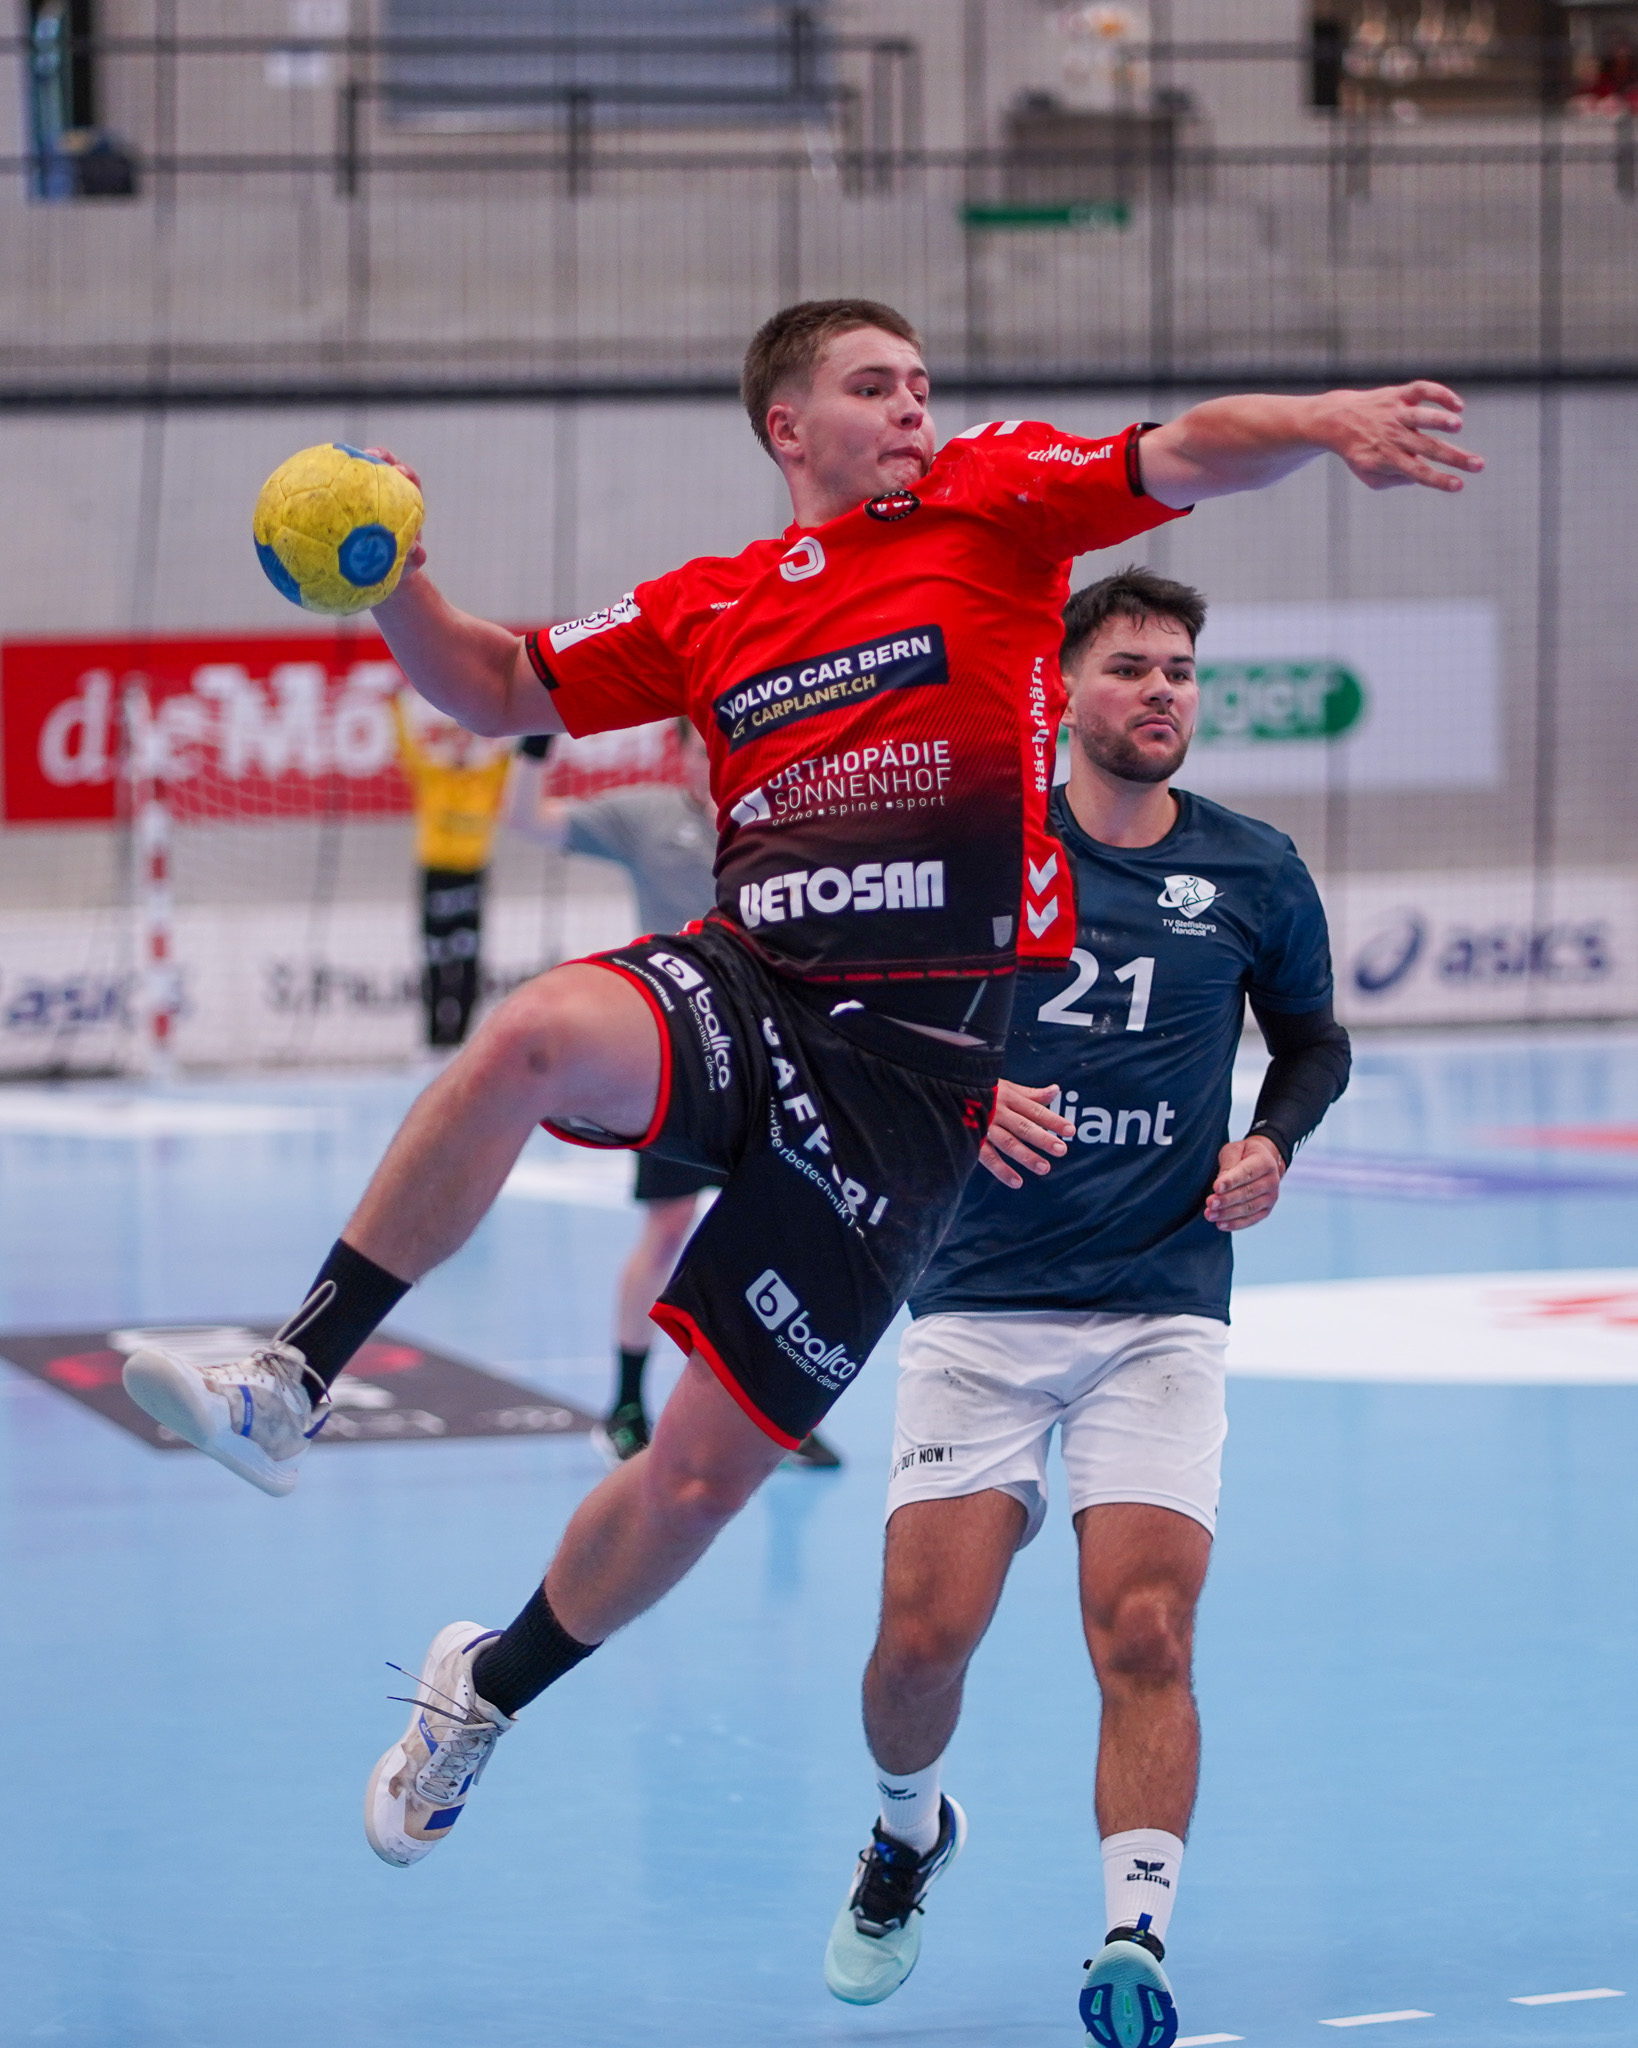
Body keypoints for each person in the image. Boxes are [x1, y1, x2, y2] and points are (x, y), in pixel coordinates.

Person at [119, 298, 1478, 1886]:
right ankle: (294, 1376)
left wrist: (1319, 421)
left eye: (919, 382)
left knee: (699, 1477)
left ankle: (482, 1688)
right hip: (755, 989)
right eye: (873, 386)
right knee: (528, 1037)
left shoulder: (994, 505)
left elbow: (1183, 450)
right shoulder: (713, 605)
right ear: (788, 425)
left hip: (915, 1085)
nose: (914, 407)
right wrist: (394, 578)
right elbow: (493, 686)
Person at [820, 567, 1351, 2046]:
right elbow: (846, 1016)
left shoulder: (1252, 869)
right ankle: (902, 1833)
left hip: (1157, 1307)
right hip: (978, 1307)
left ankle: (1132, 1938)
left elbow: (1311, 1039)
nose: (1162, 691)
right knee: (921, 1646)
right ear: (1061, 691)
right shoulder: (976, 855)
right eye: (1129, 667)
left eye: (1180, 667)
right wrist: (962, 1091)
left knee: (1146, 1633)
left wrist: (1270, 1140)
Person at [507, 720, 840, 1471]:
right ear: (684, 755)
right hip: (684, 1054)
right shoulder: (646, 816)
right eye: (704, 750)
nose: (718, 764)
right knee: (666, 1231)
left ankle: (775, 1409)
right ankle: (625, 1404)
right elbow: (526, 821)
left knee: (785, 1233)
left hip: (777, 1055)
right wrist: (533, 740)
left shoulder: (791, 821)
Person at [393, 692, 515, 1048]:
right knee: (434, 957)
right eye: (452, 738)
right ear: (443, 743)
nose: (459, 746)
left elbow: (516, 748)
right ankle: (433, 1040)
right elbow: (406, 745)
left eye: (465, 737)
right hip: (435, 874)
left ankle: (461, 1040)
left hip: (472, 875)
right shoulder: (432, 775)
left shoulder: (486, 776)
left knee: (468, 958)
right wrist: (394, 706)